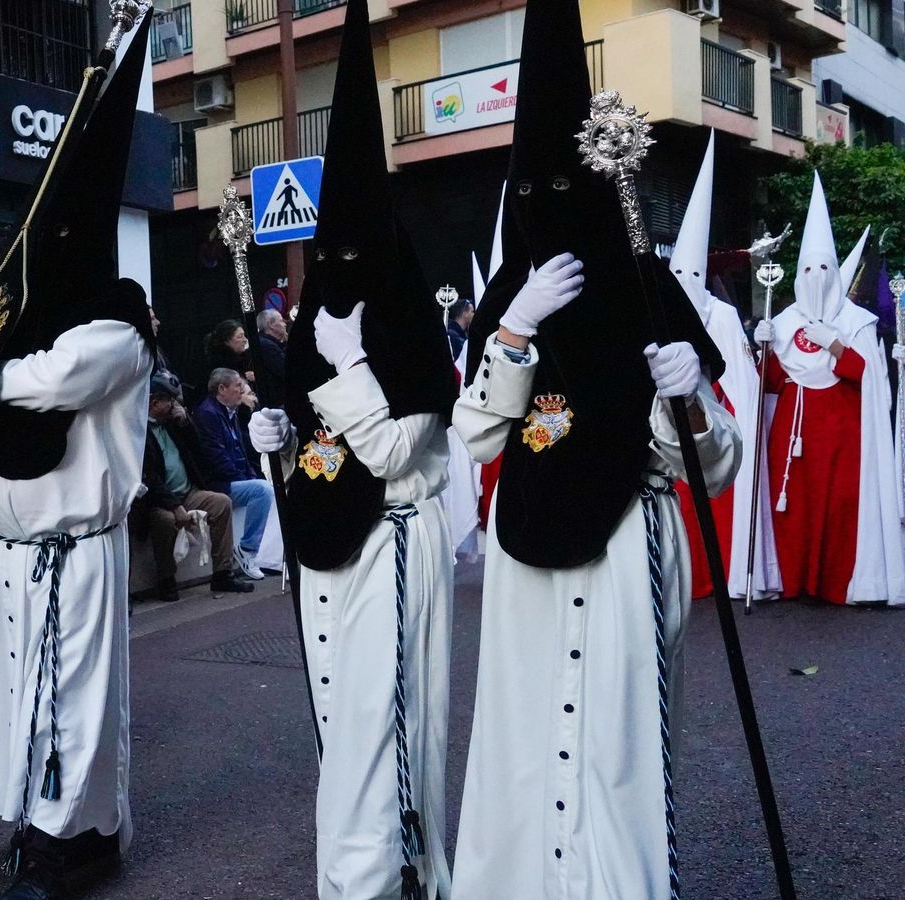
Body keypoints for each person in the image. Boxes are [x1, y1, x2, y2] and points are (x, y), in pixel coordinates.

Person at [448, 0, 740, 896]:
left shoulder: (649, 287)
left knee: (616, 741)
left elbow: (714, 459)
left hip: (627, 547)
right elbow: (475, 430)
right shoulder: (515, 289)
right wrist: (512, 336)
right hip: (525, 546)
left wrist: (686, 396)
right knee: (525, 733)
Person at [247, 3, 458, 894]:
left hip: (396, 540)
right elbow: (318, 438)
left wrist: (348, 367)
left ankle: (386, 873)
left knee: (386, 722)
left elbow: (399, 453)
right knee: (339, 720)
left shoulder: (402, 328)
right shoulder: (316, 321)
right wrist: (280, 441)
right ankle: (353, 871)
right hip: (327, 548)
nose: (338, 276)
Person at [0, 22, 152, 898]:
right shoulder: (24, 327)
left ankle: (72, 843)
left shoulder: (116, 327)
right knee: (18, 699)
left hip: (71, 552)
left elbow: (52, 379)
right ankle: (37, 826)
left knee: (72, 697)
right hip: (4, 554)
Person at [755, 176, 905, 605]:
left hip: (842, 431)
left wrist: (834, 343)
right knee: (793, 507)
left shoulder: (857, 320)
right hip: (792, 432)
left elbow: (870, 376)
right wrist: (762, 348)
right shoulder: (782, 321)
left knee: (840, 506)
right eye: (807, 269)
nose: (816, 277)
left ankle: (838, 583)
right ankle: (794, 580)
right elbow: (771, 384)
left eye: (824, 268)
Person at [669, 132, 781, 602]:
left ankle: (727, 572)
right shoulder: (657, 309)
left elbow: (737, 375)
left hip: (712, 419)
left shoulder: (723, 314)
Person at [133, 375, 255, 602]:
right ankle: (166, 579)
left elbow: (198, 452)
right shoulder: (138, 432)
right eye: (169, 400)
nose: (174, 405)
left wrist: (186, 424)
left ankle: (222, 572)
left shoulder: (173, 423)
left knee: (221, 503)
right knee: (166, 522)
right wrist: (174, 506)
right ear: (153, 402)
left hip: (188, 491)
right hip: (160, 501)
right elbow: (149, 477)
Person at [192, 368, 271, 578]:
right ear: (221, 388)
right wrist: (246, 478)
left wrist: (250, 475)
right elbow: (216, 458)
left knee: (267, 485)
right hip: (218, 483)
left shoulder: (229, 411)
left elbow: (241, 452)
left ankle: (270, 555)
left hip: (234, 477)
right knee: (262, 491)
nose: (242, 390)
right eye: (237, 385)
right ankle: (247, 549)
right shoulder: (207, 414)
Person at [255, 307, 288, 408]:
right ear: (271, 325)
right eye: (281, 321)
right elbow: (286, 370)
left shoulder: (264, 342)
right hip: (276, 403)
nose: (285, 324)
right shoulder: (267, 346)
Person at [206, 318, 253, 383]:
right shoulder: (222, 367)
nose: (245, 340)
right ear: (226, 341)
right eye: (240, 337)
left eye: (244, 335)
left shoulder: (244, 358)